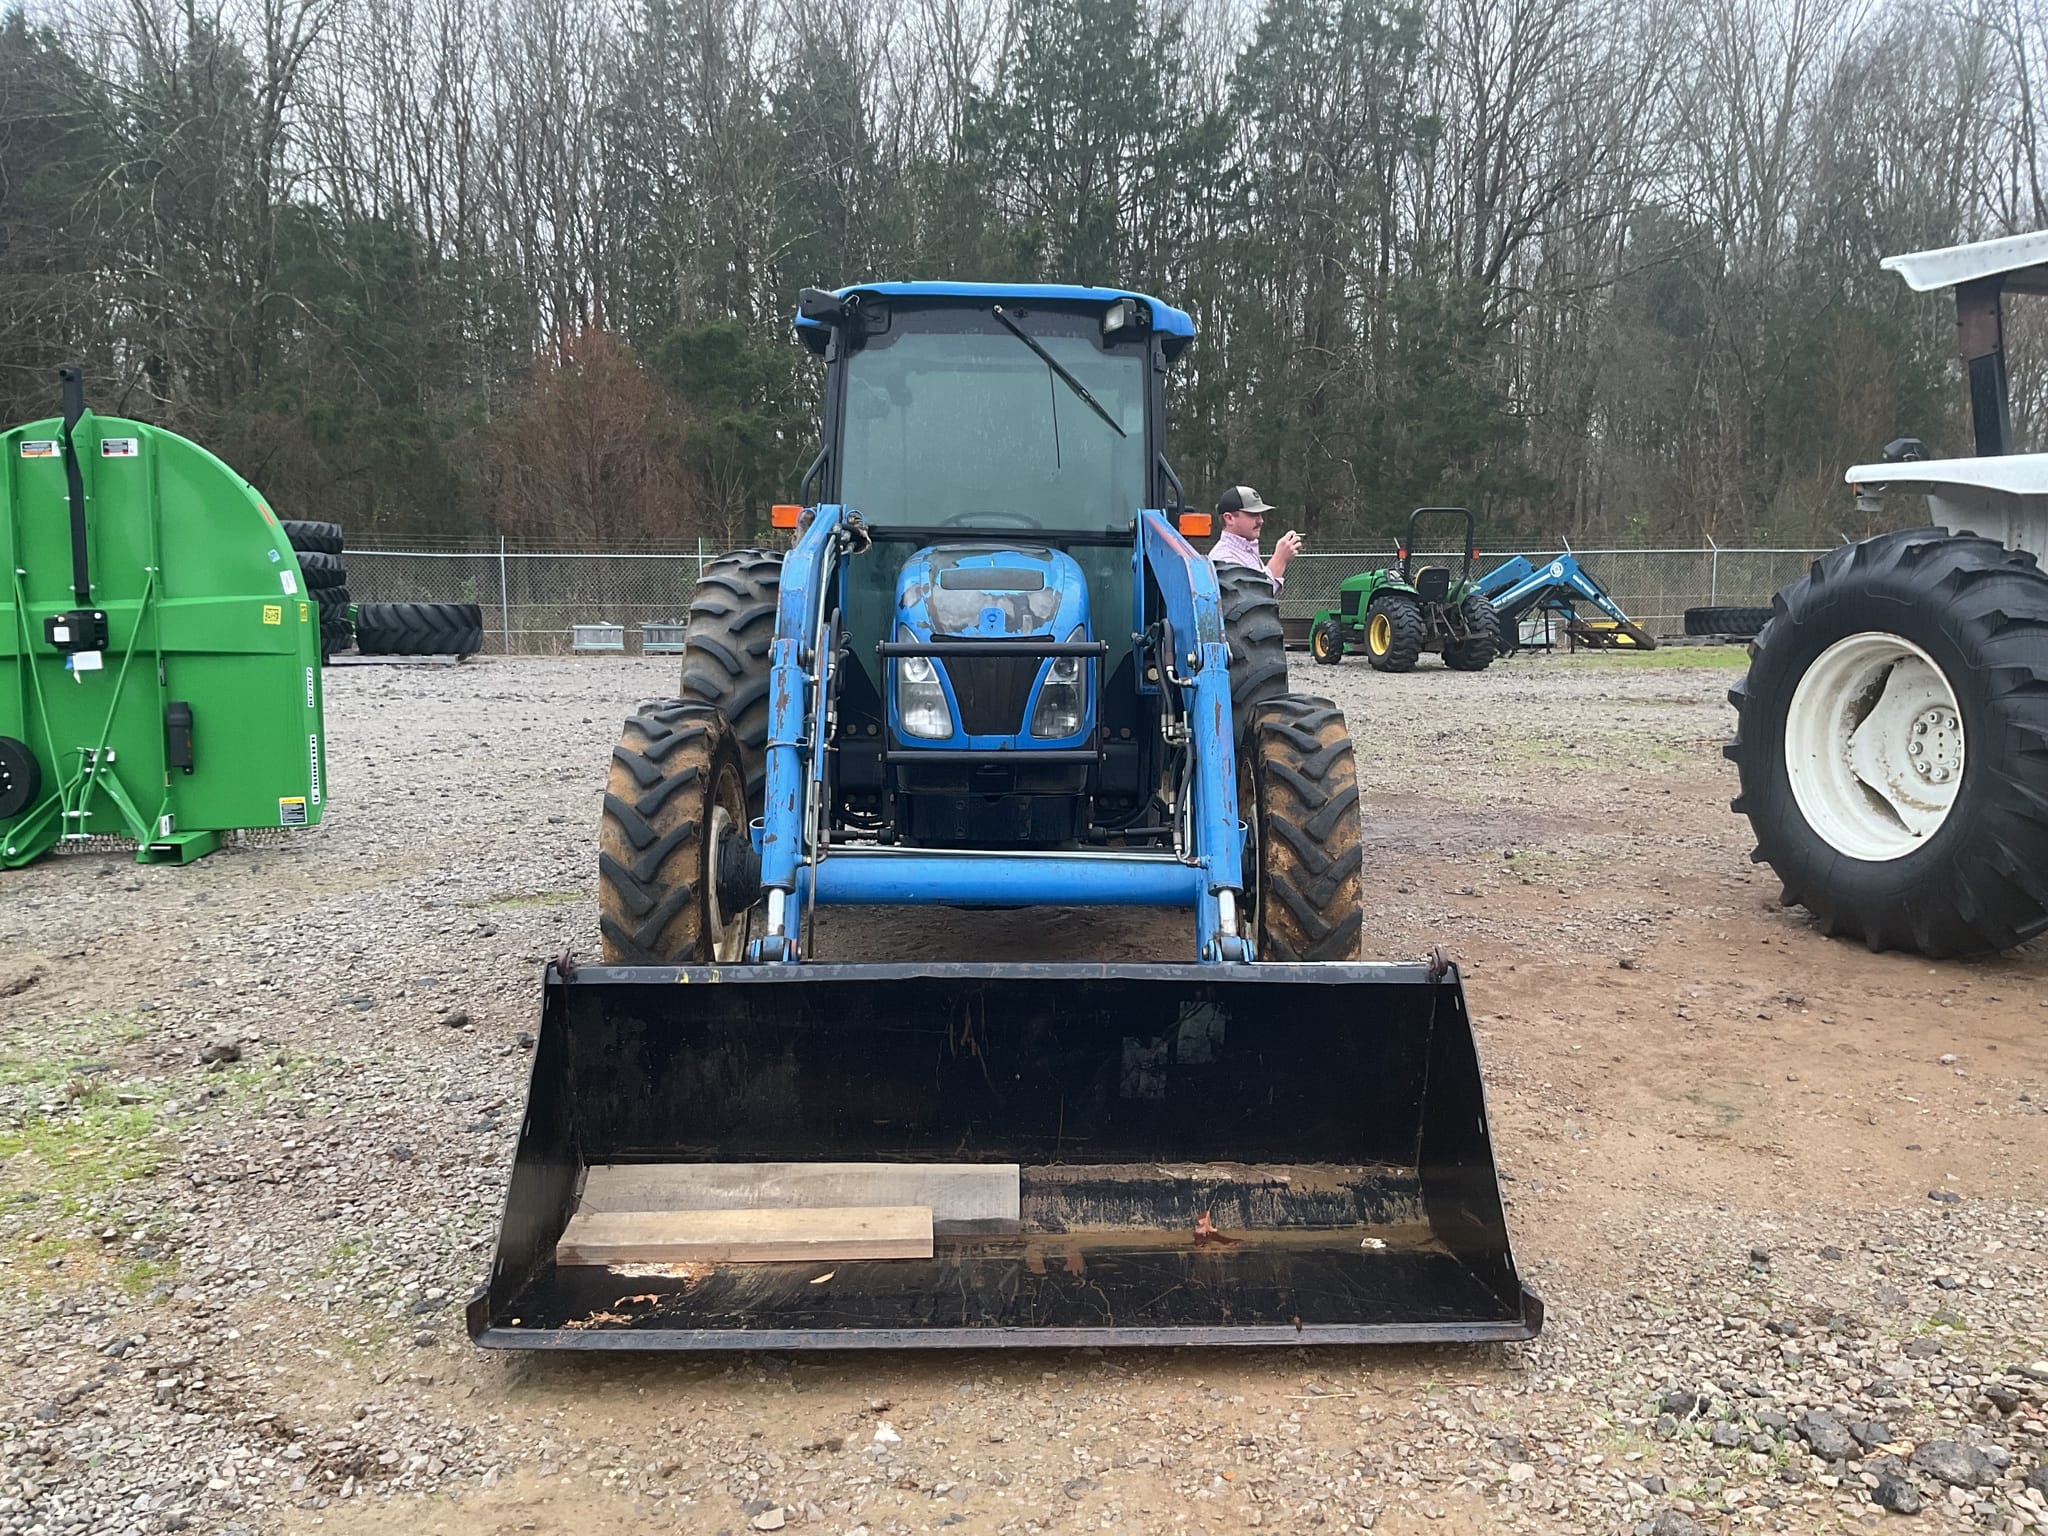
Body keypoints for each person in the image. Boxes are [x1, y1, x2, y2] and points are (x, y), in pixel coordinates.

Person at [1209, 485, 1302, 593]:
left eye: (1260, 514)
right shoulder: (1223, 559)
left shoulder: (1246, 550)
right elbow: (1256, 598)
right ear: (1229, 518)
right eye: (1253, 514)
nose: (1260, 520)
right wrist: (1280, 559)